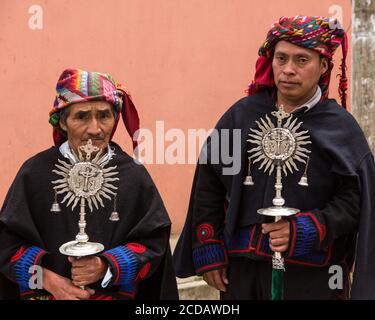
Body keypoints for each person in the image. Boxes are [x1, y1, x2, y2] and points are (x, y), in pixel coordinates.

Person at [173, 16, 375, 299]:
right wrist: (209, 247)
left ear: (324, 66)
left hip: (314, 275)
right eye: (281, 58)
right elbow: (210, 183)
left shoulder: (340, 127)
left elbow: (353, 200)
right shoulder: (242, 114)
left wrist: (307, 229)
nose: (288, 70)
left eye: (301, 60)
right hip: (241, 272)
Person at [0, 68, 178, 300]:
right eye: (82, 116)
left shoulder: (133, 176)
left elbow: (155, 243)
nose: (95, 129)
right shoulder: (35, 173)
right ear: (62, 122)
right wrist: (46, 279)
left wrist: (106, 266)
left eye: (104, 116)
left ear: (115, 119)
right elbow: (6, 245)